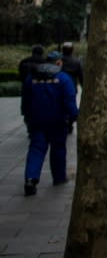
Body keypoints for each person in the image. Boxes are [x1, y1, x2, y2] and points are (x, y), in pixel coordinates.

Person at [21, 51, 79, 196]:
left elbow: (26, 100)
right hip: (57, 121)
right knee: (58, 149)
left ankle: (30, 178)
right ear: (59, 62)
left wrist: (27, 116)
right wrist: (75, 116)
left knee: (36, 149)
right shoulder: (63, 79)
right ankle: (59, 178)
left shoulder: (31, 78)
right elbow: (69, 100)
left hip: (37, 120)